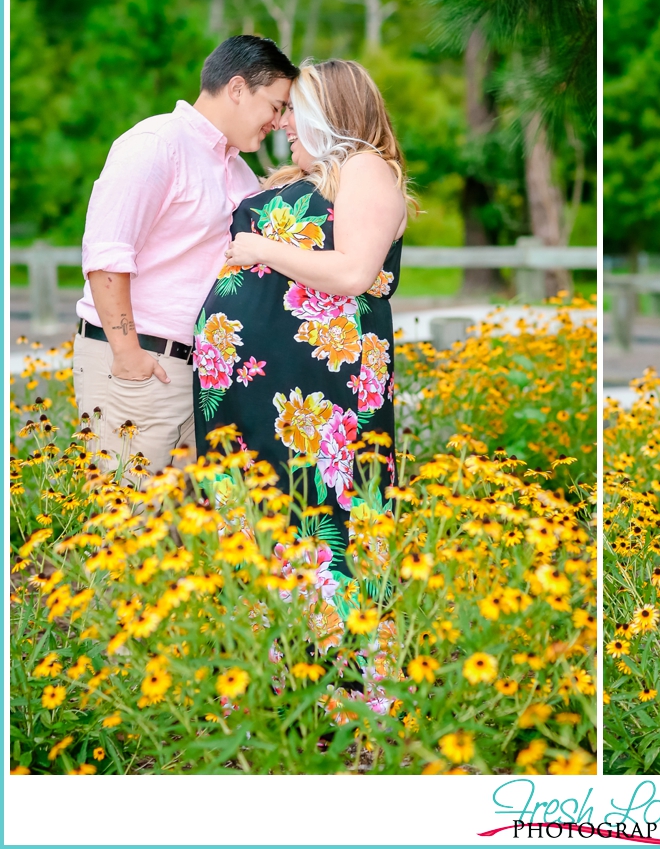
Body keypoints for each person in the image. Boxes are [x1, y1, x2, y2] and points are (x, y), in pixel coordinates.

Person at [193, 58, 409, 588]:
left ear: (331, 113)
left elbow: (355, 272)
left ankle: (340, 660)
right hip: (254, 390)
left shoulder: (366, 166)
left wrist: (260, 247)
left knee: (322, 513)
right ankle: (268, 658)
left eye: (295, 110)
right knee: (261, 515)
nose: (284, 122)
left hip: (318, 389)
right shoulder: (310, 177)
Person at [74, 35, 298, 475]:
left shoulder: (238, 170)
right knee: (127, 524)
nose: (278, 120)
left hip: (202, 377)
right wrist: (129, 355)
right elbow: (106, 255)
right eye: (275, 105)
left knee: (181, 536)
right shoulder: (156, 144)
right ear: (237, 89)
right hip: (142, 365)